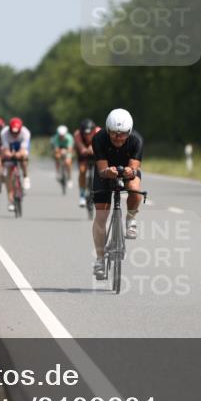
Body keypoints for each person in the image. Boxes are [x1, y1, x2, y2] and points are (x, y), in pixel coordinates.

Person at [91, 108, 143, 281]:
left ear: (129, 132)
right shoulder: (98, 139)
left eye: (122, 134)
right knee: (101, 215)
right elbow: (101, 169)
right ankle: (99, 259)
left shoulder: (136, 140)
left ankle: (131, 219)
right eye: (114, 134)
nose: (118, 138)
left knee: (135, 188)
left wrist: (130, 171)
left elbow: (135, 167)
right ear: (107, 130)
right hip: (105, 172)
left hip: (127, 171)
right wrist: (108, 172)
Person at [0, 117, 31, 211]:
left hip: (21, 147)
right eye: (12, 132)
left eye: (16, 132)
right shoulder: (4, 133)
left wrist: (18, 154)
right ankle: (10, 201)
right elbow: (5, 149)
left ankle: (25, 177)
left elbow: (23, 149)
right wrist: (8, 155)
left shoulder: (25, 133)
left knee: (24, 159)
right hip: (10, 147)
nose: (14, 134)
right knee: (9, 174)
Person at [73, 118, 100, 208]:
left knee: (101, 170)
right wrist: (84, 149)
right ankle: (82, 195)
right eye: (85, 134)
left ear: (93, 131)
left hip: (96, 151)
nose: (87, 136)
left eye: (90, 133)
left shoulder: (98, 131)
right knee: (82, 170)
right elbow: (80, 147)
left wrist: (93, 147)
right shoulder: (77, 134)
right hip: (83, 153)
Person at [50, 125, 74, 189]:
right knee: (57, 157)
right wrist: (59, 152)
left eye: (63, 135)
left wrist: (65, 151)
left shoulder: (69, 137)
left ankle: (69, 178)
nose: (61, 136)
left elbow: (70, 148)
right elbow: (56, 148)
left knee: (68, 162)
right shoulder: (55, 138)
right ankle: (58, 172)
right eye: (60, 135)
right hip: (59, 149)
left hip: (67, 149)